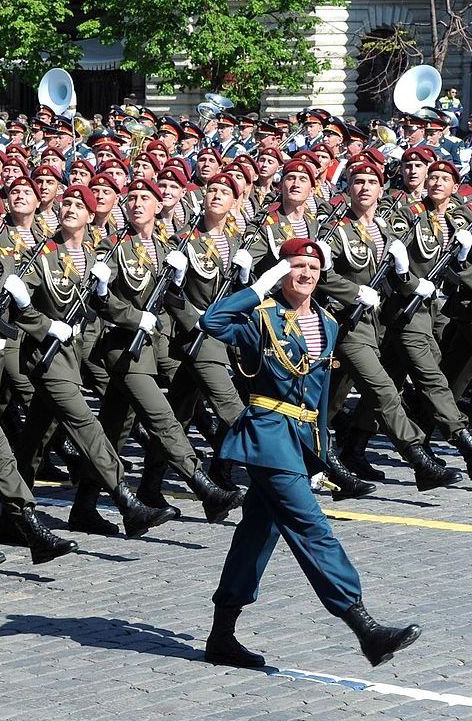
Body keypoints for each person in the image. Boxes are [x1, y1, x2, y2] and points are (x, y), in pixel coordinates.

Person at [201, 236, 421, 669]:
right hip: (266, 437)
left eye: (313, 269)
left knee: (256, 538)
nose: (304, 275)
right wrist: (258, 287)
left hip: (298, 443)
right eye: (296, 267)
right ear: (282, 273)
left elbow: (318, 400)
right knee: (311, 526)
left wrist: (323, 451)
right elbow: (213, 321)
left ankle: (220, 636)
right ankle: (363, 626)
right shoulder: (260, 317)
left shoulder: (328, 323)